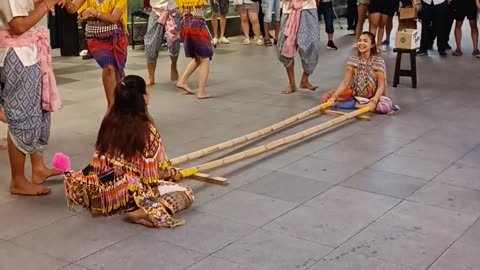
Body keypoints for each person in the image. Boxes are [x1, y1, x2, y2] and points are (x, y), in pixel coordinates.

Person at [63, 75, 194, 228]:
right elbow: (151, 175)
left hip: (105, 189)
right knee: (186, 193)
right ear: (143, 98)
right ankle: (142, 212)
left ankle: (128, 206)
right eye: (147, 91)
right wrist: (171, 173)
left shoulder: (108, 122)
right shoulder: (146, 130)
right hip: (129, 194)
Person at [0, 0, 64, 195]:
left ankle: (38, 168)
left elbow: (26, 5)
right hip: (16, 55)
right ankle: (18, 180)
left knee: (39, 110)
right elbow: (18, 25)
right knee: (23, 116)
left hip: (28, 51)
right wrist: (47, 4)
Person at [62, 0, 128, 108]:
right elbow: (72, 9)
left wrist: (95, 13)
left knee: (119, 72)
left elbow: (114, 18)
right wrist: (67, 2)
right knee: (109, 67)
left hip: (117, 38)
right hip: (96, 39)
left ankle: (127, 106)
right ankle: (111, 108)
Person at [320, 32, 398, 114]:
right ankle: (360, 105)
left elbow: (381, 86)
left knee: (384, 107)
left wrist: (374, 101)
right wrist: (334, 97)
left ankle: (358, 105)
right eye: (359, 40)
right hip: (355, 96)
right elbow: (345, 82)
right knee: (325, 98)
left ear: (372, 45)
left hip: (372, 97)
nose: (361, 43)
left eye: (365, 41)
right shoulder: (353, 60)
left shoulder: (378, 61)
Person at [277, 0, 320, 94]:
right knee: (285, 46)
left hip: (308, 8)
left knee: (313, 44)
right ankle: (292, 83)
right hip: (289, 9)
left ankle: (305, 79)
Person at [175, 0, 214, 99]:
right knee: (205, 58)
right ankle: (201, 92)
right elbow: (205, 4)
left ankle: (182, 81)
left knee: (197, 58)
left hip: (185, 24)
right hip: (197, 24)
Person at [144, 0, 181, 85]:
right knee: (150, 43)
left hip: (173, 11)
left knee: (173, 43)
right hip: (156, 11)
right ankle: (151, 76)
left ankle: (174, 65)